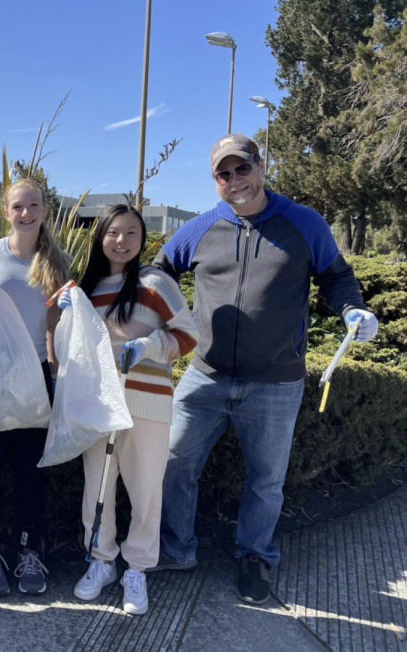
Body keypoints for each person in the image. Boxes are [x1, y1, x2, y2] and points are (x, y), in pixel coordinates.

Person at [149, 133, 379, 604]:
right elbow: (159, 271)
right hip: (205, 375)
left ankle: (255, 554)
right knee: (175, 463)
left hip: (276, 381)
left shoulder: (303, 223)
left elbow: (336, 275)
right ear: (215, 180)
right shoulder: (200, 228)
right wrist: (162, 325)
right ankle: (176, 547)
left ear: (261, 166)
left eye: (242, 168)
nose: (235, 180)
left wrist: (351, 310)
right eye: (224, 173)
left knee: (266, 478)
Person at [57, 205, 197, 615]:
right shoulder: (87, 287)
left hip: (147, 402)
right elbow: (71, 349)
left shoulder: (156, 283)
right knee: (96, 489)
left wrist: (151, 346)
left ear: (142, 238)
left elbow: (189, 334)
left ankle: (137, 568)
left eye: (131, 233)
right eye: (113, 232)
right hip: (99, 404)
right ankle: (101, 561)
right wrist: (66, 314)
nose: (121, 241)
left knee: (145, 491)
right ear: (100, 236)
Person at [0, 177, 69, 597]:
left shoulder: (55, 261)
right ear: (5, 212)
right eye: (17, 207)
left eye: (33, 206)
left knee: (30, 471)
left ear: (44, 210)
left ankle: (29, 550)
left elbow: (56, 328)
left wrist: (59, 377)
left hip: (34, 379)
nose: (25, 213)